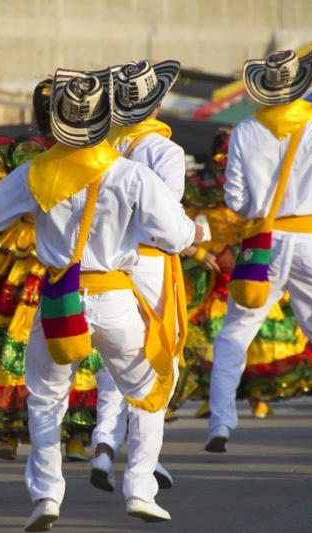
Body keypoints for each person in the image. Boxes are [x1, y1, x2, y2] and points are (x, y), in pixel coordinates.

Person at [0, 67, 199, 529]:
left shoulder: (35, 172)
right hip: (116, 296)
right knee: (149, 393)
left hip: (60, 299)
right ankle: (140, 489)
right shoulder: (131, 174)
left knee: (45, 400)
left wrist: (38, 213)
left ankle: (47, 497)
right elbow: (176, 237)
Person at [205, 49, 312, 453]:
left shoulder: (244, 129)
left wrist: (257, 212)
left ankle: (221, 422)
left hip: (263, 242)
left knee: (235, 332)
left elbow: (236, 200)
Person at [0, 80, 102, 463]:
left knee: (16, 340)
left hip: (24, 258)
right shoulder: (88, 152)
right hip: (67, 257)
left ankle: (15, 433)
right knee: (75, 345)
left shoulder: (25, 157)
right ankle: (73, 436)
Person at [89, 59, 183, 494]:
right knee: (160, 360)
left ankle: (106, 440)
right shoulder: (166, 152)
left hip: (114, 262)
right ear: (158, 102)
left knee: (119, 358)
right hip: (152, 261)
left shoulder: (106, 149)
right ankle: (143, 468)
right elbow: (166, 218)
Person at [180, 129, 312, 419]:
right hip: (215, 264)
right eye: (221, 156)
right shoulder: (200, 187)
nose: (225, 162)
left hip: (250, 257)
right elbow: (186, 223)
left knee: (258, 331)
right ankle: (214, 397)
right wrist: (202, 249)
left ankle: (258, 396)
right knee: (212, 330)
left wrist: (237, 248)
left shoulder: (254, 183)